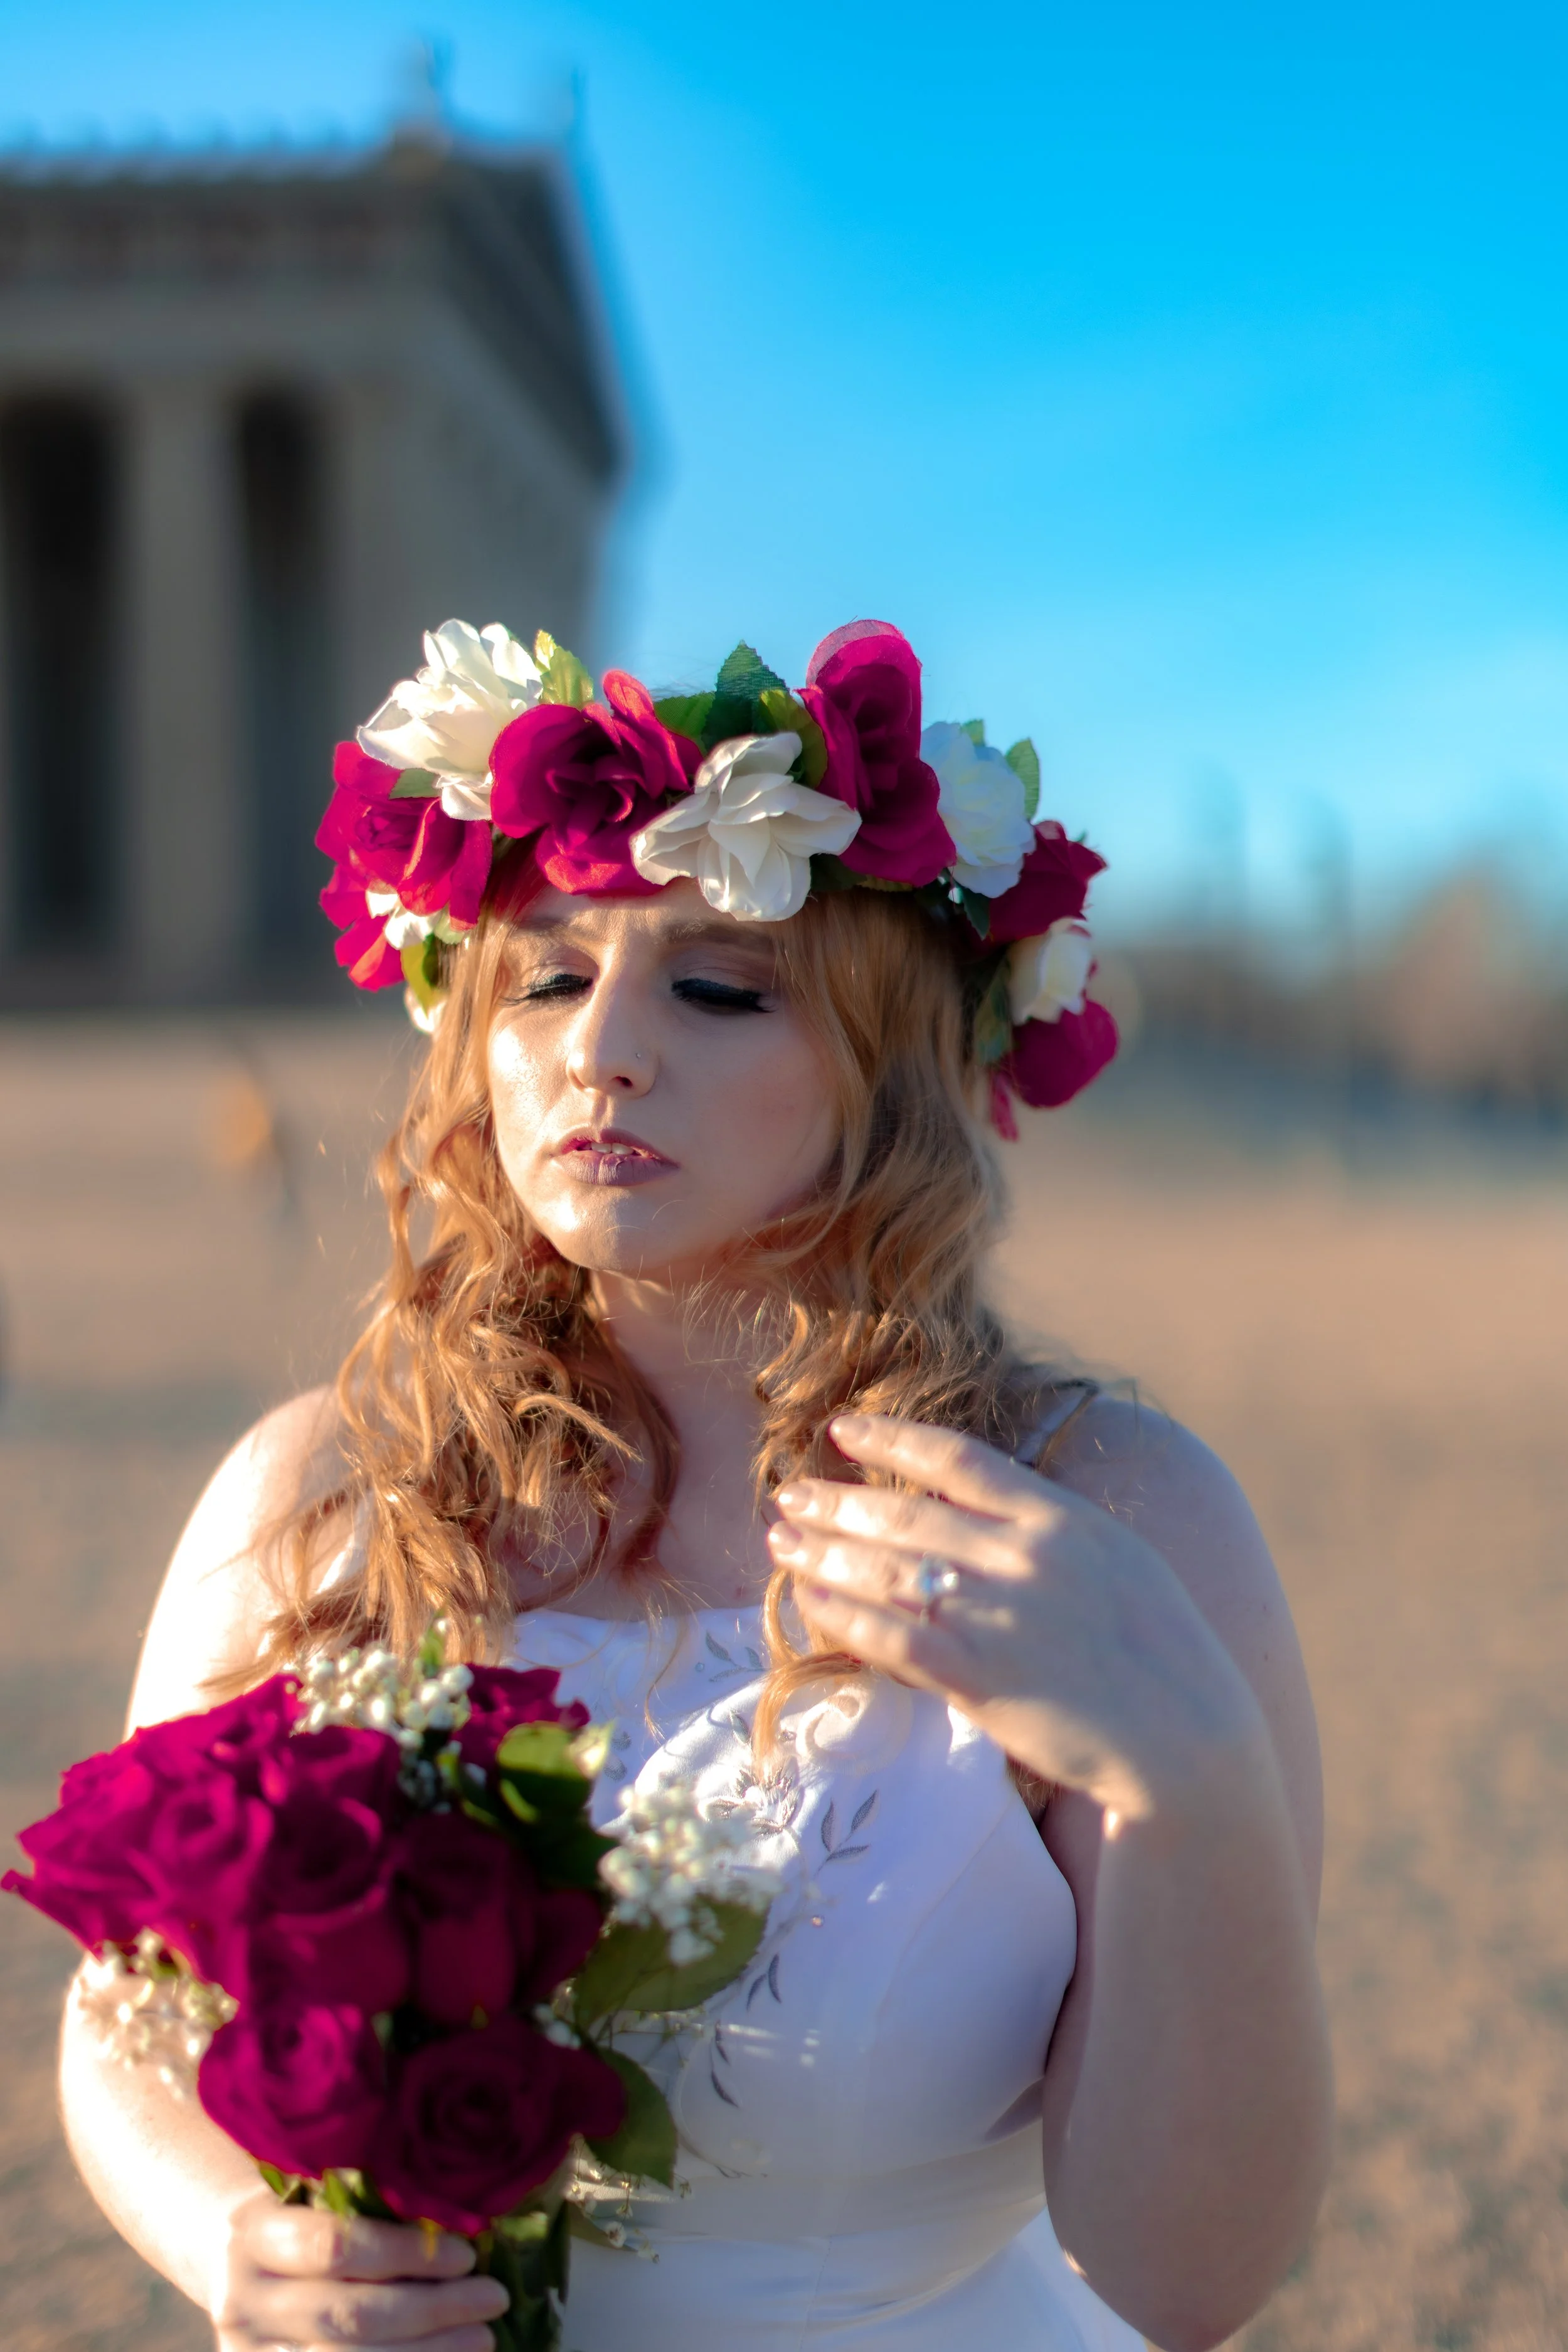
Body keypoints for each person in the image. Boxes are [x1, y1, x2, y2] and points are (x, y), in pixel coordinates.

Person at [58, 618, 1332, 2352]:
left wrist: (1184, 1768)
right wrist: (230, 2234)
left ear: (897, 1061)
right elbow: (120, 2016)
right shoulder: (320, 1496)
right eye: (544, 980)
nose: (601, 1050)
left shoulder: (1108, 1513)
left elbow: (1182, 2281)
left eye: (720, 987)